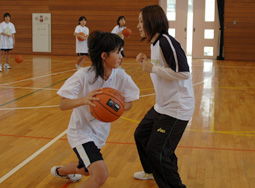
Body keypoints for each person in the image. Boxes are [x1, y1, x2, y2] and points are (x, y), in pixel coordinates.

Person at [51, 31, 140, 188]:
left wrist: (118, 108)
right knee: (100, 175)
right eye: (118, 52)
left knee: (84, 169)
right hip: (80, 133)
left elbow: (129, 103)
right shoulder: (83, 76)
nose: (121, 56)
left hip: (99, 133)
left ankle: (60, 171)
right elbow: (62, 104)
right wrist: (84, 100)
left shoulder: (121, 76)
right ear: (104, 55)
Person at [134, 5, 195, 188]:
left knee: (158, 151)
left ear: (152, 21)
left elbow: (183, 72)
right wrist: (149, 62)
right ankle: (151, 171)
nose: (138, 25)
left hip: (176, 107)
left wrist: (153, 68)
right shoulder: (155, 43)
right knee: (141, 135)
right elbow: (165, 65)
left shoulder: (166, 41)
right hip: (162, 105)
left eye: (140, 21)